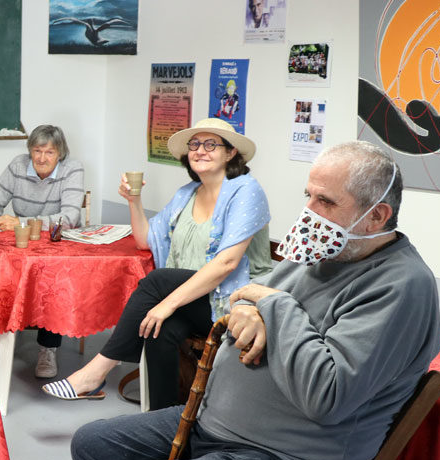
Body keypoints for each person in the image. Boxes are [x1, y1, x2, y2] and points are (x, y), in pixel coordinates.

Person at [69, 140, 440, 460]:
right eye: (309, 195)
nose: (309, 212)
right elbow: (248, 295)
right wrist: (250, 305)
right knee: (95, 445)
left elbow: (327, 396)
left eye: (326, 201)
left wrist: (275, 307)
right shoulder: (321, 251)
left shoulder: (402, 286)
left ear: (377, 214)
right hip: (218, 428)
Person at [43, 118, 271, 405]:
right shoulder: (186, 194)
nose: (201, 150)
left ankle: (95, 372)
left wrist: (166, 303)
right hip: (196, 298)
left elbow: (227, 264)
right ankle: (161, 420)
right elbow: (145, 240)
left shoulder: (246, 190)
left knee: (157, 283)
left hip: (235, 300)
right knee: (157, 329)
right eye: (195, 144)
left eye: (211, 144)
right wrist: (133, 200)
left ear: (231, 153)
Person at [0, 124, 85, 379]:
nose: (42, 158)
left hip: (56, 245)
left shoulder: (73, 168)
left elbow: (69, 218)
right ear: (29, 150)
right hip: (20, 244)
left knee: (53, 282)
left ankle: (48, 348)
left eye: (50, 152)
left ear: (60, 154)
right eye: (37, 151)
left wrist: (21, 222)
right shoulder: (17, 165)